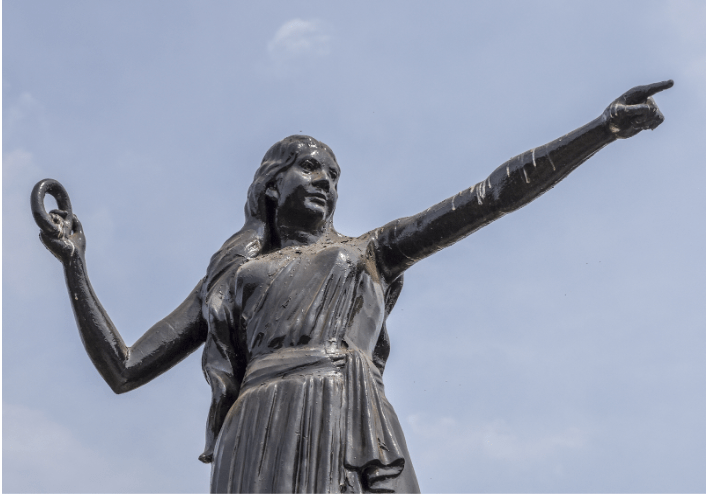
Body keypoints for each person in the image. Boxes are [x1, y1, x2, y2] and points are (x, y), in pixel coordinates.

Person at [37, 81, 672, 493]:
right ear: (272, 184)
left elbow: (491, 196)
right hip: (256, 429)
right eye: (310, 167)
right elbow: (125, 368)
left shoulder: (370, 252)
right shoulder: (229, 278)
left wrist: (601, 129)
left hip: (347, 415)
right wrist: (75, 266)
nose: (326, 181)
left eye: (335, 174)